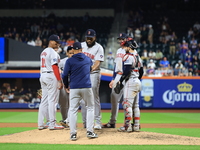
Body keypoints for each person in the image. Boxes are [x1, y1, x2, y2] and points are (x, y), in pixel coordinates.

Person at [62, 42, 98, 141]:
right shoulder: (87, 59)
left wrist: (66, 85)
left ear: (73, 50)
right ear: (82, 49)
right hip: (86, 86)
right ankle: (90, 131)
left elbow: (64, 75)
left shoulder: (69, 61)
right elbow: (91, 68)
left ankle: (73, 134)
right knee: (90, 107)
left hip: (74, 87)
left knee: (73, 109)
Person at [38, 34, 64, 130]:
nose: (57, 43)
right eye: (56, 42)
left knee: (44, 100)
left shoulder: (43, 52)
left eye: (58, 42)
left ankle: (40, 124)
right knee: (52, 100)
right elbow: (55, 67)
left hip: (43, 75)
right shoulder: (52, 52)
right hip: (50, 75)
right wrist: (59, 80)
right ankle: (52, 124)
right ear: (51, 41)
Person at [117, 40, 143, 132]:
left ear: (129, 47)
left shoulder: (129, 57)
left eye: (125, 47)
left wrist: (120, 80)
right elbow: (141, 72)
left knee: (127, 104)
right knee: (135, 105)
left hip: (131, 82)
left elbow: (127, 70)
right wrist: (137, 79)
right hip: (137, 81)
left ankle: (127, 126)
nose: (124, 48)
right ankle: (136, 125)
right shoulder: (138, 57)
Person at [102, 33, 128, 128]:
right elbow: (115, 66)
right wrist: (113, 79)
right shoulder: (118, 50)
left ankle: (127, 123)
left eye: (122, 39)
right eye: (119, 39)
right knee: (114, 99)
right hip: (118, 76)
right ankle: (112, 122)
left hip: (127, 77)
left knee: (127, 101)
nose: (121, 41)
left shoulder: (131, 50)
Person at [80, 29, 104, 130]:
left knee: (94, 96)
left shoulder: (99, 47)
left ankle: (97, 122)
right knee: (82, 100)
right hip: (81, 74)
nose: (89, 39)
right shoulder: (81, 45)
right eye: (87, 37)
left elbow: (97, 62)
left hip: (93, 73)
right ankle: (85, 123)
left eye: (91, 37)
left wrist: (89, 69)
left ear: (95, 37)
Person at [58, 46, 74, 128]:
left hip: (73, 85)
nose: (71, 54)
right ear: (67, 53)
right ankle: (65, 120)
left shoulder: (76, 62)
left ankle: (68, 120)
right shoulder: (62, 62)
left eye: (73, 53)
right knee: (63, 104)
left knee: (72, 104)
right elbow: (58, 72)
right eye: (70, 53)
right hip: (64, 85)